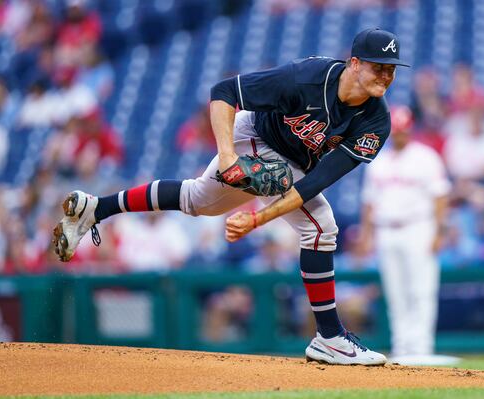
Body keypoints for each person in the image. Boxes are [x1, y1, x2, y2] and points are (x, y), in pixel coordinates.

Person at [52, 28, 409, 366]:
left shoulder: (376, 122)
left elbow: (316, 182)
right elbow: (224, 91)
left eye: (391, 70)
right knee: (321, 228)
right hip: (255, 134)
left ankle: (97, 208)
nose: (386, 76)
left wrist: (257, 219)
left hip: (295, 164)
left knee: (197, 201)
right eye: (379, 67)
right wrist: (227, 157)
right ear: (355, 63)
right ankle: (330, 337)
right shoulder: (306, 78)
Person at [360, 105, 459, 366]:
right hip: (386, 229)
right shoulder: (378, 161)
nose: (399, 135)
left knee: (421, 289)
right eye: (396, 131)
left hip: (418, 227)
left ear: (411, 129)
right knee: (395, 292)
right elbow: (369, 202)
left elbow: (440, 197)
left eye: (403, 130)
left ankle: (421, 347)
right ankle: (402, 347)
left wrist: (438, 232)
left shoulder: (425, 157)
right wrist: (367, 235)